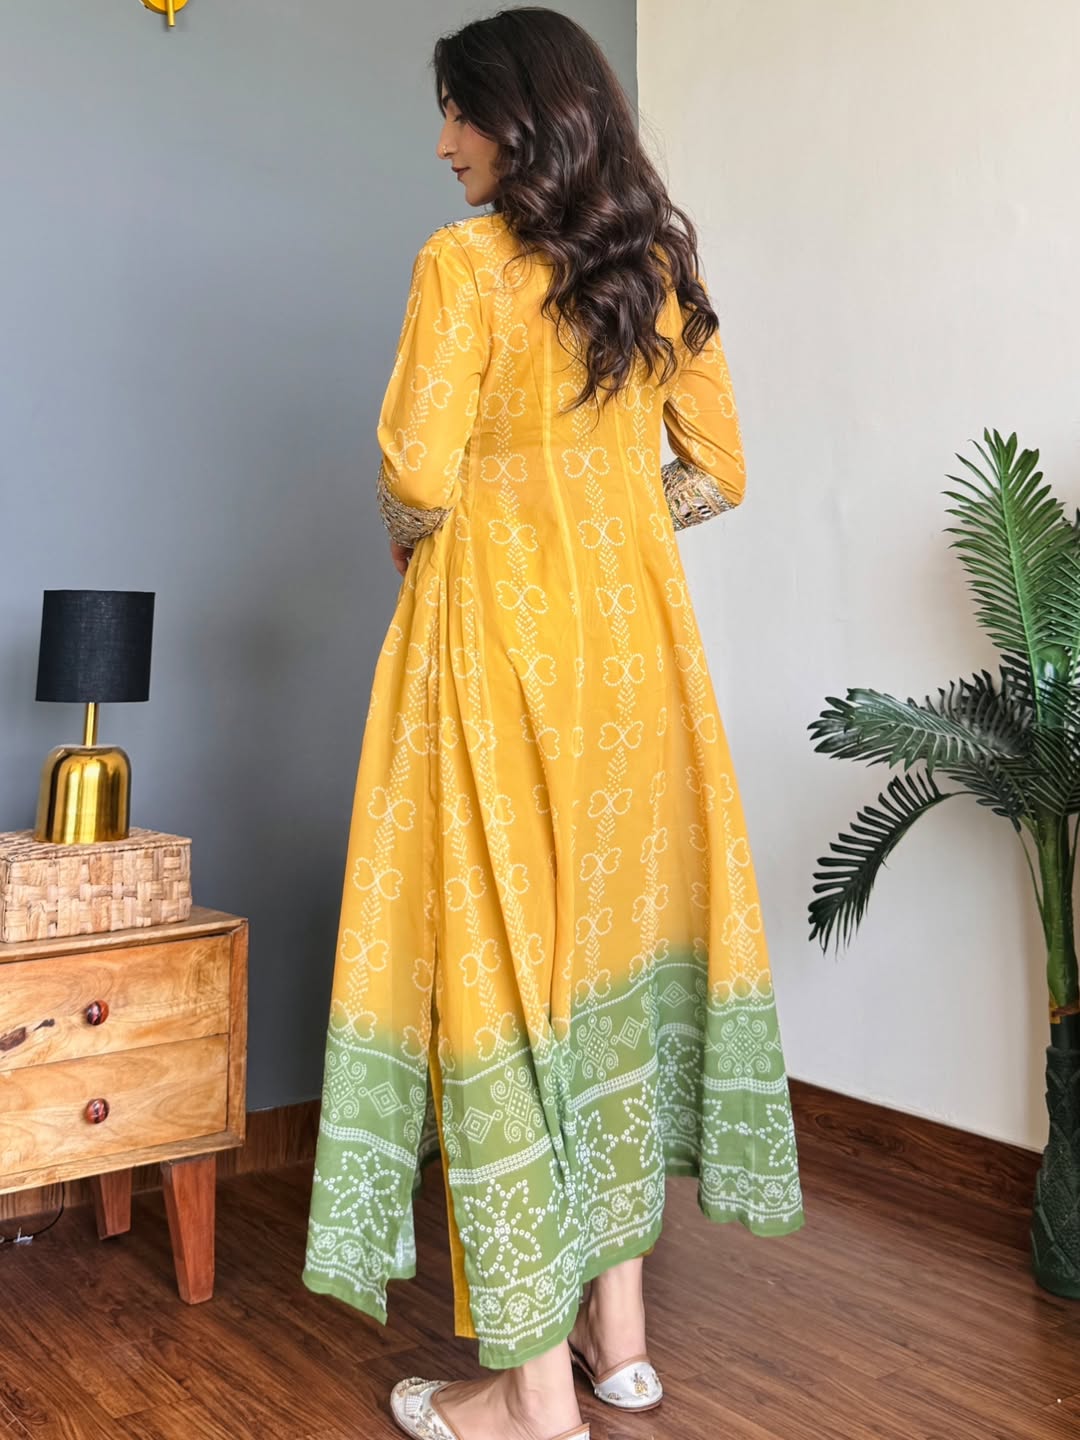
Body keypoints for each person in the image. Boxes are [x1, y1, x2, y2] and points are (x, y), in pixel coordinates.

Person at [302, 9, 804, 1439]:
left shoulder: (460, 264)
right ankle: (623, 1346)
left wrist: (435, 540)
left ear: (517, 118)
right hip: (638, 674)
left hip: (497, 666)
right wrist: (606, 529)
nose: (442, 139)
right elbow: (720, 473)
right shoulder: (655, 265)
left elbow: (416, 472)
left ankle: (529, 1402)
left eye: (456, 112)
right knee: (607, 982)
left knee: (503, 991)